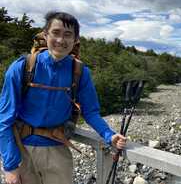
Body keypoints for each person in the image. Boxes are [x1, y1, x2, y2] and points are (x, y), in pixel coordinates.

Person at [0, 12, 126, 184]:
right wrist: (10, 166)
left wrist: (109, 135)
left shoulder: (80, 72)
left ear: (75, 40)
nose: (61, 40)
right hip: (21, 149)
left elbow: (91, 112)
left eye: (68, 35)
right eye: (56, 33)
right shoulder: (21, 67)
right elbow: (4, 119)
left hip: (58, 148)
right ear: (45, 35)